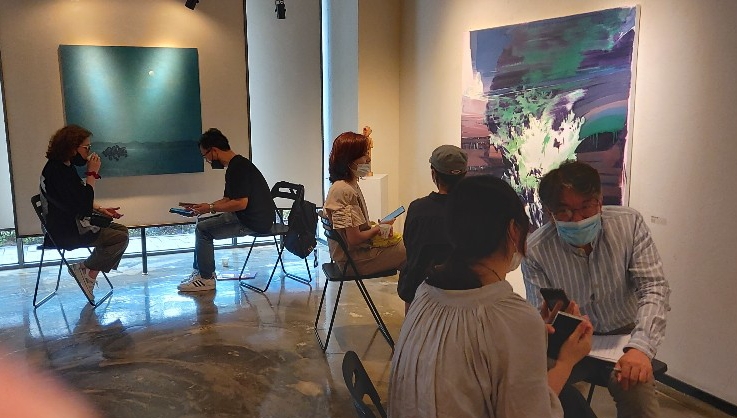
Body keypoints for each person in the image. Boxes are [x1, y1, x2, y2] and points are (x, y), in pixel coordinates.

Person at [388, 175, 593, 418]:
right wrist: (565, 362)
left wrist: (530, 335)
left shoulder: (425, 292)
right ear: (513, 230)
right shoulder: (511, 317)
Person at [522, 160, 671, 418]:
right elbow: (540, 314)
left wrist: (641, 348)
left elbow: (654, 287)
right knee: (536, 391)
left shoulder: (628, 225)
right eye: (564, 211)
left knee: (638, 394)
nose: (577, 219)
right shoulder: (536, 250)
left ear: (600, 201)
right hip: (569, 341)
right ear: (549, 213)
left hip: (623, 338)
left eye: (586, 207)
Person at [178, 128, 275, 292]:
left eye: (205, 156)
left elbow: (241, 203)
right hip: (247, 216)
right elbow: (227, 199)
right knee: (201, 224)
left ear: (214, 151)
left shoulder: (239, 168)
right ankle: (200, 272)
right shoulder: (235, 166)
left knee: (203, 230)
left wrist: (210, 208)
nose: (207, 160)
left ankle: (206, 279)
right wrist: (205, 208)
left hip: (254, 221)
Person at [40, 125, 129, 301]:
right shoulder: (56, 172)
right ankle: (88, 273)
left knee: (122, 231)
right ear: (72, 148)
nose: (89, 152)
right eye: (86, 147)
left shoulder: (64, 167)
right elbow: (82, 206)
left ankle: (85, 270)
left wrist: (100, 209)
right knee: (120, 238)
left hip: (71, 222)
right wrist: (92, 174)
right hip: (65, 231)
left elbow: (78, 198)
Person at [323, 131, 405, 275]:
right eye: (364, 155)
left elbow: (353, 230)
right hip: (354, 261)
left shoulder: (347, 185)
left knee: (412, 251)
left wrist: (378, 227)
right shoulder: (344, 190)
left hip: (353, 256)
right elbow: (354, 239)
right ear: (349, 160)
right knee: (414, 249)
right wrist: (377, 229)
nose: (368, 159)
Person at [397, 144, 467, 312]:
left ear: (433, 174)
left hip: (418, 290)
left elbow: (410, 247)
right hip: (462, 291)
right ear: (464, 175)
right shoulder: (473, 211)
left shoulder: (417, 208)